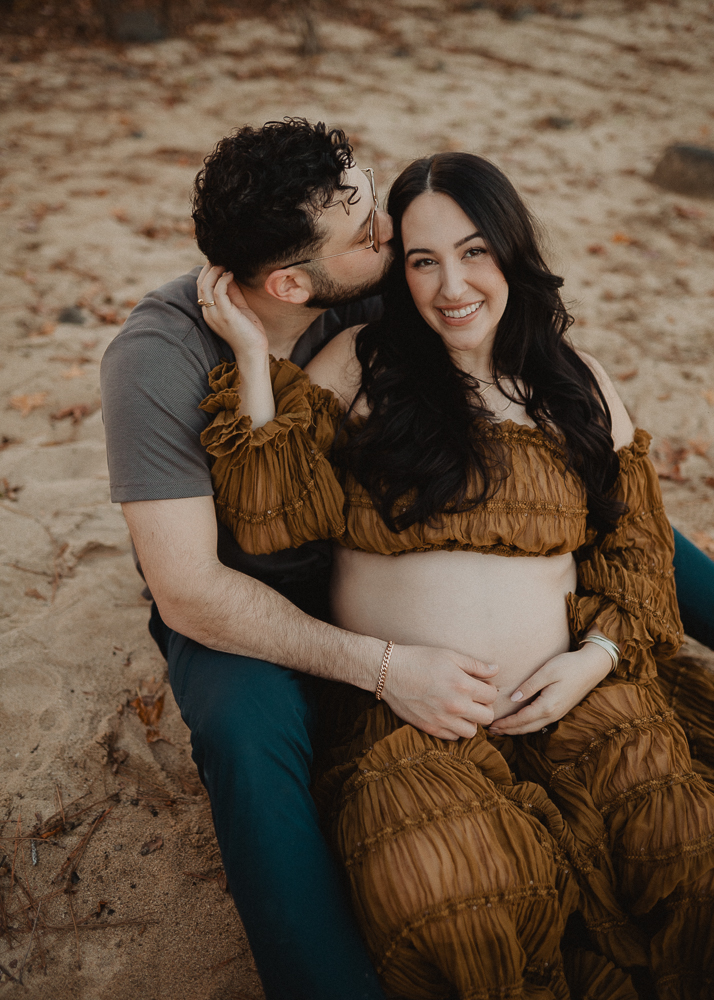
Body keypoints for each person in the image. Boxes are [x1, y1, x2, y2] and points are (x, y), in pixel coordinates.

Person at [197, 151, 714, 998]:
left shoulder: (577, 385)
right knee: (450, 897)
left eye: (474, 252)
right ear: (399, 274)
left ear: (511, 251)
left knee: (686, 849)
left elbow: (638, 555)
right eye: (423, 260)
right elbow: (269, 518)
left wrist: (595, 661)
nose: (451, 285)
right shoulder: (363, 363)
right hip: (410, 719)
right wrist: (254, 361)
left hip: (578, 704)